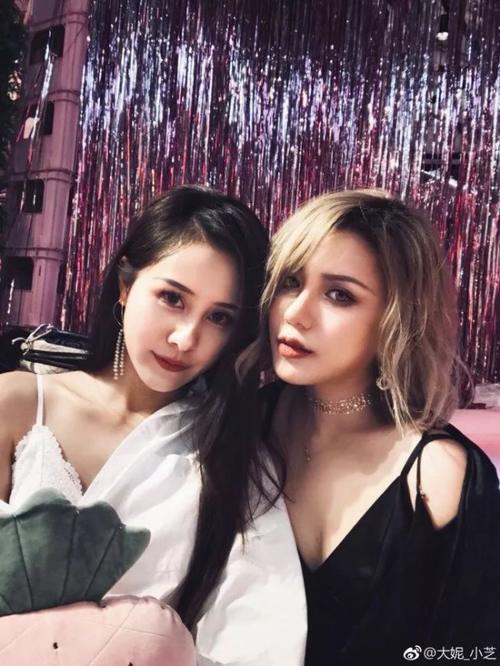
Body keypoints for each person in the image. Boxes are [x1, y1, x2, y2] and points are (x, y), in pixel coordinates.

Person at [0, 185, 307, 666]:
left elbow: (262, 636)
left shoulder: (232, 459)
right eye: (172, 298)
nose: (186, 338)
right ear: (126, 286)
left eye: (219, 317)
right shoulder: (18, 403)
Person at [256, 189, 500, 665]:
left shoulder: (440, 476)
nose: (296, 313)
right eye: (290, 281)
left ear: (395, 319)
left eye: (339, 295)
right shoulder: (241, 428)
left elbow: (473, 651)